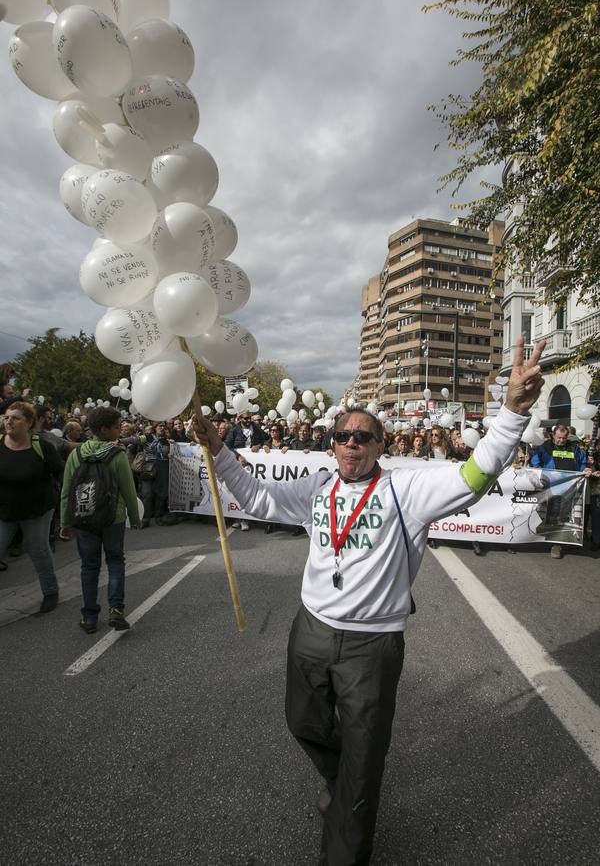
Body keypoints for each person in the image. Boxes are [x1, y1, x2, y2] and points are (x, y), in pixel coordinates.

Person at [192, 338, 546, 866]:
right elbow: (257, 495)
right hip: (310, 631)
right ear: (332, 445)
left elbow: (477, 473)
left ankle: (346, 833)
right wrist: (217, 451)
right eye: (342, 436)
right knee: (303, 724)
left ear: (380, 446)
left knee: (361, 770)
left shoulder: (407, 491)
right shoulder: (316, 487)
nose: (351, 444)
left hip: (372, 645)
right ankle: (344, 782)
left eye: (363, 437)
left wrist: (513, 410)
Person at [59, 406, 141, 633]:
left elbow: (67, 491)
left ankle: (89, 617)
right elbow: (128, 489)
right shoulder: (118, 455)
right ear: (104, 430)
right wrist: (134, 518)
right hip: (112, 518)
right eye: (116, 427)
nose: (119, 431)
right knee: (115, 561)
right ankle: (116, 610)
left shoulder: (75, 455)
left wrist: (65, 523)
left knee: (89, 566)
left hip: (84, 517)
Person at [0, 401, 63, 610]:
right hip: (5, 511)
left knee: (38, 550)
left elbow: (58, 472)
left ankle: (50, 592)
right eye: (6, 417)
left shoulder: (42, 446)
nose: (9, 421)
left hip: (38, 509)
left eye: (15, 418)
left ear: (28, 423)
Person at [530, 423, 591, 558]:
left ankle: (558, 544)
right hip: (551, 487)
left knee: (564, 515)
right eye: (559, 438)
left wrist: (585, 470)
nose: (561, 440)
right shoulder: (544, 448)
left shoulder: (575, 449)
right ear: (553, 436)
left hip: (570, 488)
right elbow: (535, 463)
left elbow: (583, 464)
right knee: (551, 515)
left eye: (564, 438)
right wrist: (543, 476)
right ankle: (551, 540)